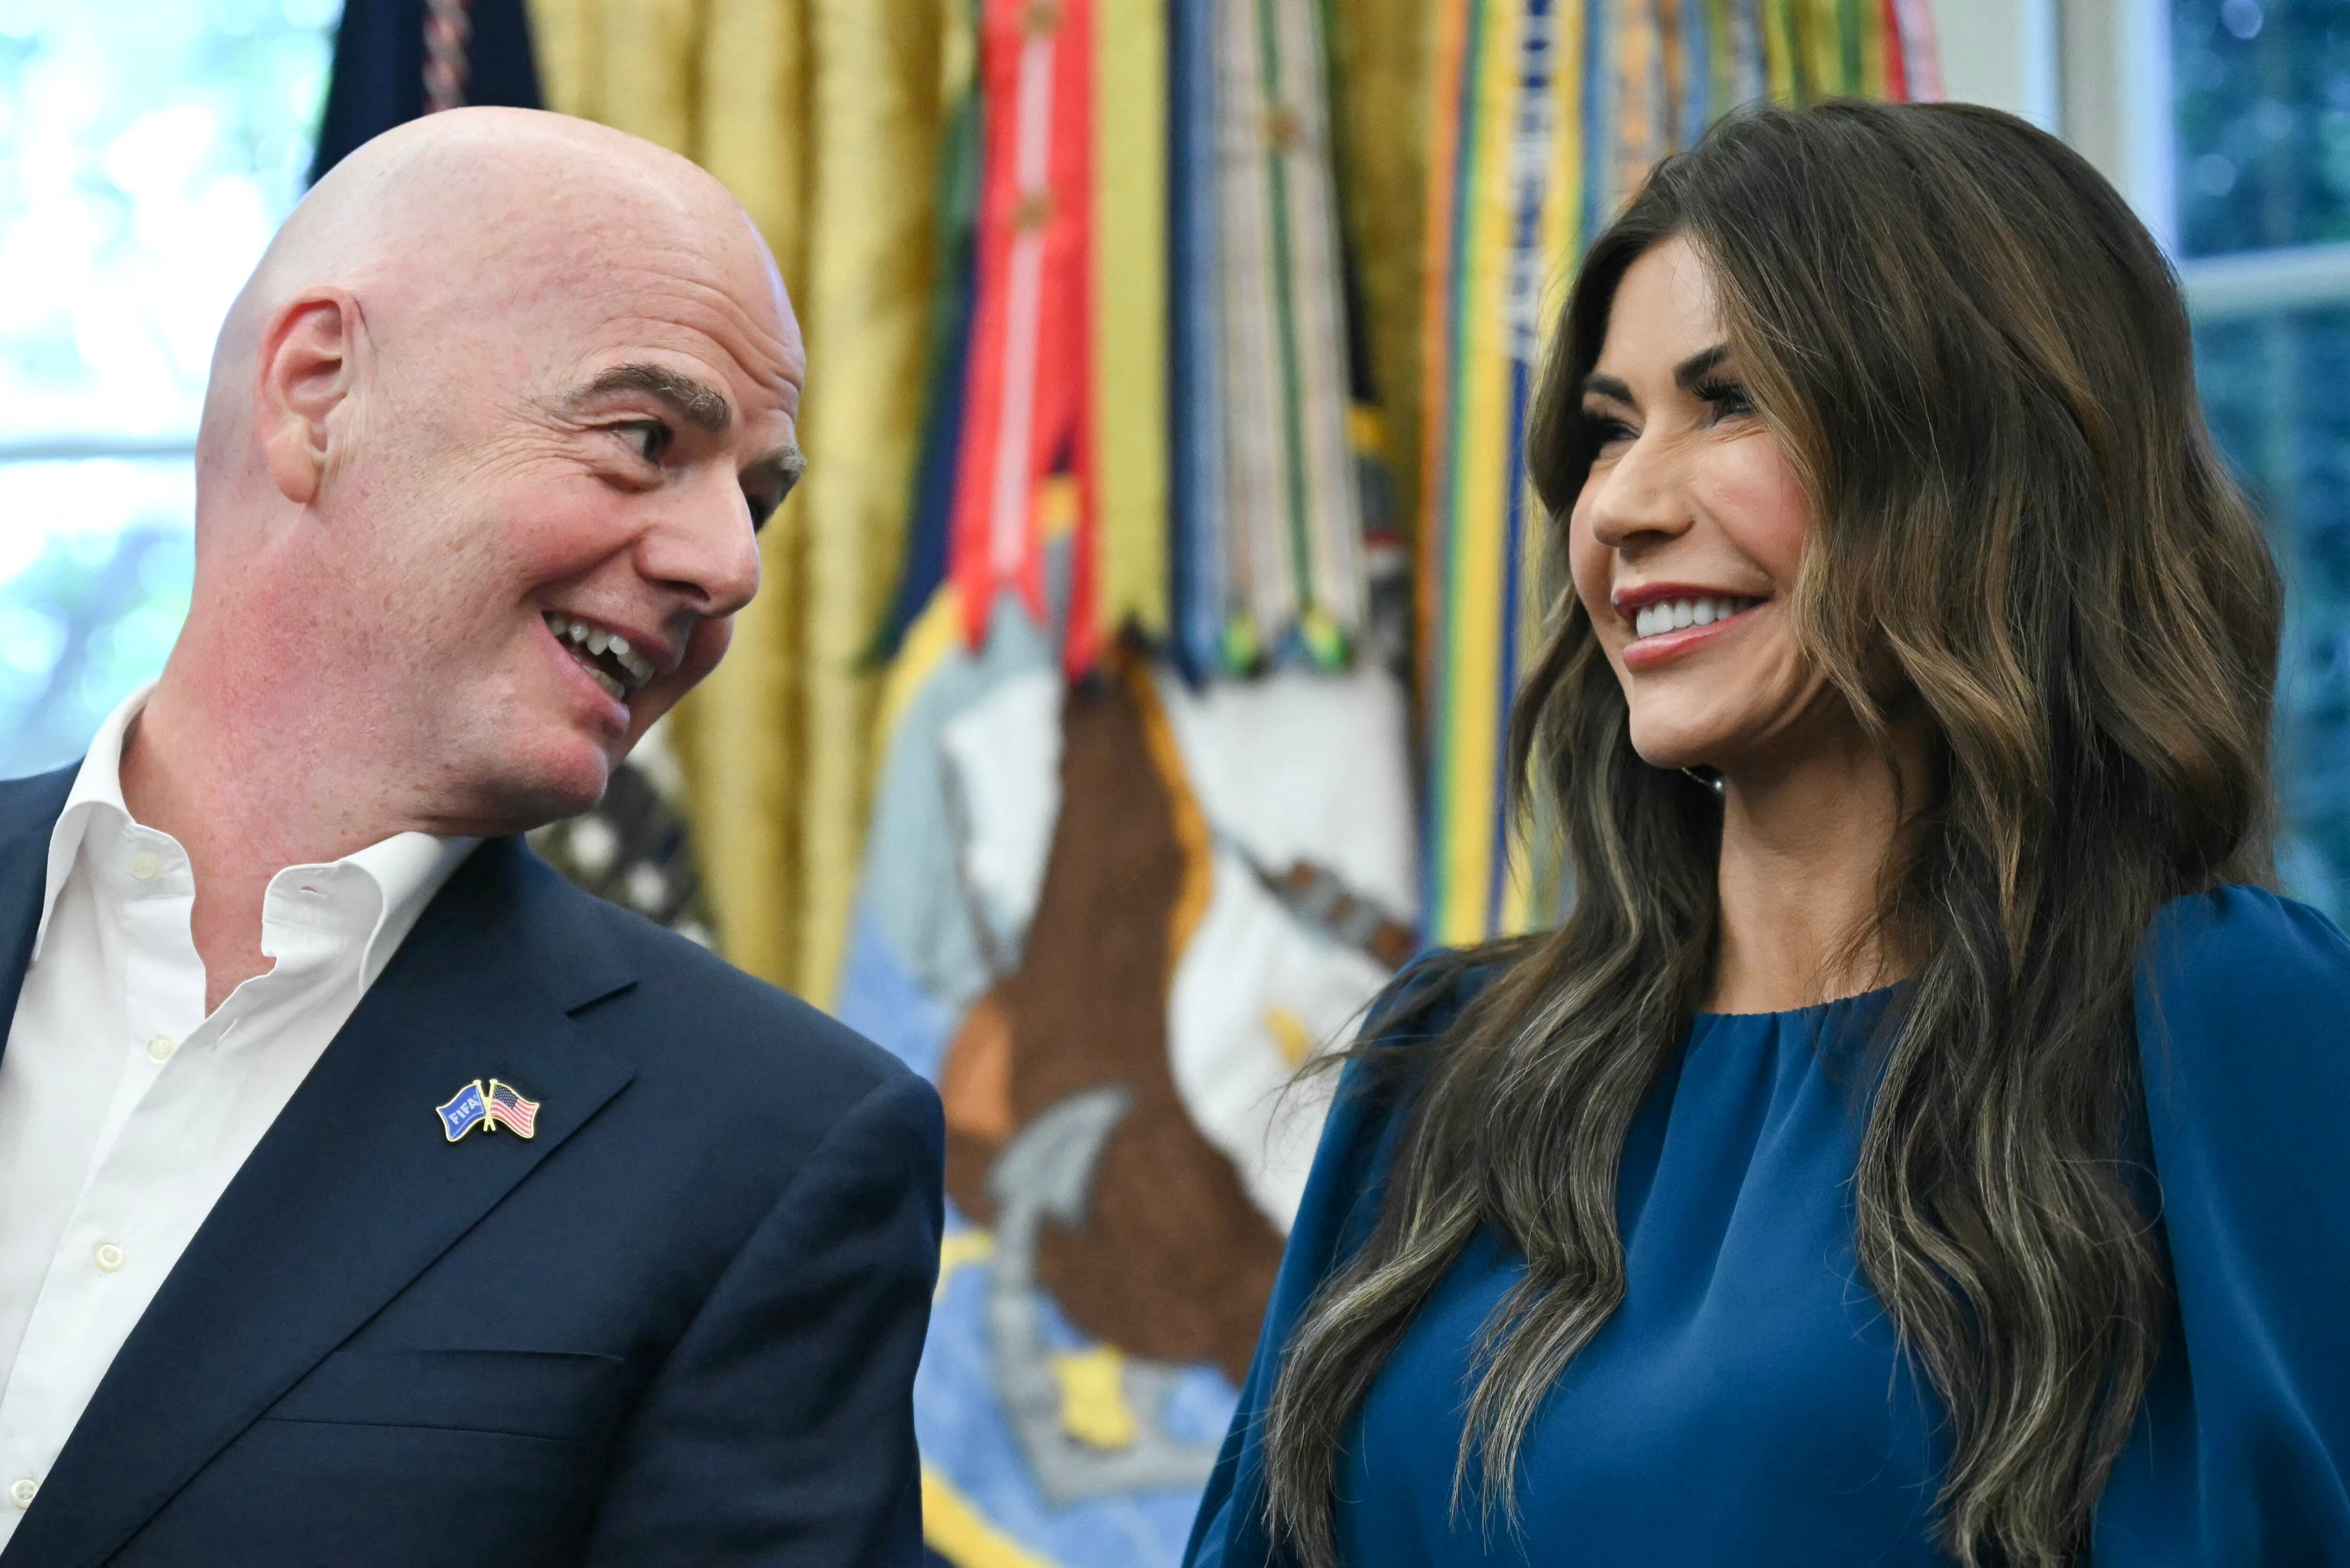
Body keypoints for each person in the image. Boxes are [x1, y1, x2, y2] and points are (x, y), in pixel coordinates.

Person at [1185, 101, 2350, 1568]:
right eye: (1608, 431)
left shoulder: (2217, 1027)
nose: (1621, 505)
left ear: (1985, 456)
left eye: (1731, 402)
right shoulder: (1447, 1067)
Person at [0, 108, 943, 1564]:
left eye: (755, 500)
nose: (731, 567)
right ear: (319, 395)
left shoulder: (777, 1148)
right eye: (648, 439)